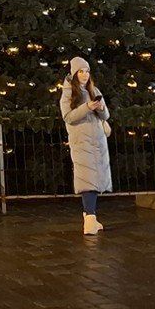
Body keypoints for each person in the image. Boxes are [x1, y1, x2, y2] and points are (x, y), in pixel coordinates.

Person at [60, 56, 111, 234]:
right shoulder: (68, 93)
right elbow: (68, 116)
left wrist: (99, 108)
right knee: (87, 178)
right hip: (82, 140)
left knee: (95, 178)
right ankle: (89, 218)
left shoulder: (93, 89)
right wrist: (87, 107)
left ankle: (90, 217)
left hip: (97, 139)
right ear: (74, 73)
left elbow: (106, 116)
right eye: (81, 71)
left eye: (87, 71)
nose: (84, 75)